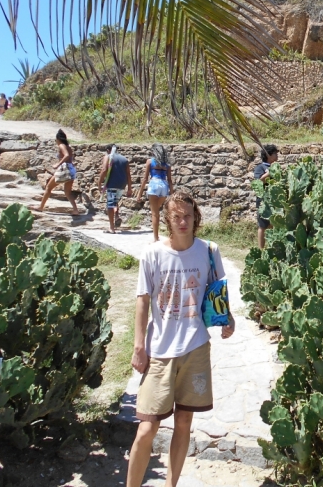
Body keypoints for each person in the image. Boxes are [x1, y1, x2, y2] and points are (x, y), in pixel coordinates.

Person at [127, 191, 235, 487]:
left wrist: (229, 319)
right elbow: (142, 300)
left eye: (187, 215)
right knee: (147, 428)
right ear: (168, 220)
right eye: (176, 217)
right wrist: (139, 346)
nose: (183, 221)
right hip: (160, 349)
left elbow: (217, 291)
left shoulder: (209, 250)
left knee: (184, 423)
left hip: (196, 347)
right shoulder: (152, 254)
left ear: (196, 217)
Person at [33, 129, 80, 214]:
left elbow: (66, 156)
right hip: (71, 169)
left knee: (48, 187)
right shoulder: (68, 147)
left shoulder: (61, 146)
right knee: (67, 192)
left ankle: (41, 207)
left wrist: (57, 164)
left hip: (64, 169)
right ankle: (75, 210)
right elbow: (69, 157)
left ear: (58, 139)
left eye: (56, 140)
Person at [136, 143, 173, 242]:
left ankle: (156, 238)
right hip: (164, 186)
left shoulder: (150, 161)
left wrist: (139, 194)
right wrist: (172, 193)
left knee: (154, 213)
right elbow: (170, 180)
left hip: (154, 185)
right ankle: (168, 234)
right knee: (158, 211)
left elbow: (145, 179)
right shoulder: (167, 164)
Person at [97, 144, 132, 233]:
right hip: (122, 185)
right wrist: (129, 188)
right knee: (115, 202)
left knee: (110, 205)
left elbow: (104, 170)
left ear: (108, 150)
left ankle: (112, 228)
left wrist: (99, 183)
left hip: (112, 184)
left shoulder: (108, 157)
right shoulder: (124, 159)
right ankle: (116, 216)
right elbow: (128, 174)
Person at [253, 144, 279, 249]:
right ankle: (261, 249)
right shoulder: (260, 167)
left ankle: (272, 247)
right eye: (275, 153)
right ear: (269, 155)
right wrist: (268, 174)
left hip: (275, 200)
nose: (277, 155)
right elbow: (258, 181)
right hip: (263, 201)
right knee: (263, 225)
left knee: (273, 225)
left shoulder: (276, 167)